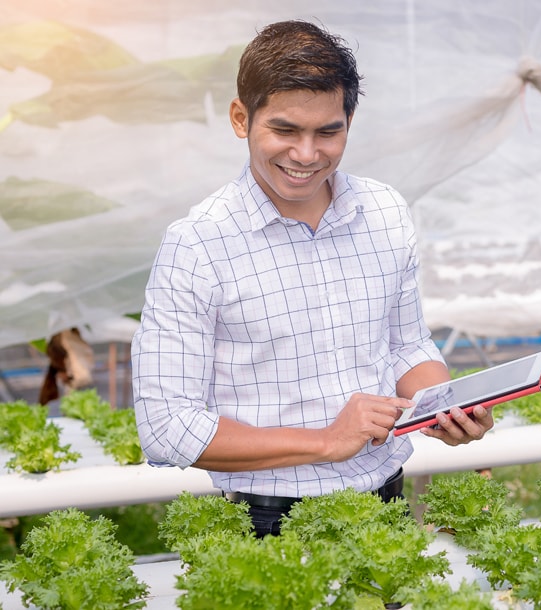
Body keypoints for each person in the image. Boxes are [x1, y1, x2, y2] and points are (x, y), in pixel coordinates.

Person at [132, 20, 494, 536]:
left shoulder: (384, 211)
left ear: (350, 121)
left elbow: (404, 345)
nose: (306, 155)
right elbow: (168, 429)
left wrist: (446, 406)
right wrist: (327, 440)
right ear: (241, 118)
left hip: (385, 498)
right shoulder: (198, 244)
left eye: (328, 132)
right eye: (284, 130)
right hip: (265, 517)